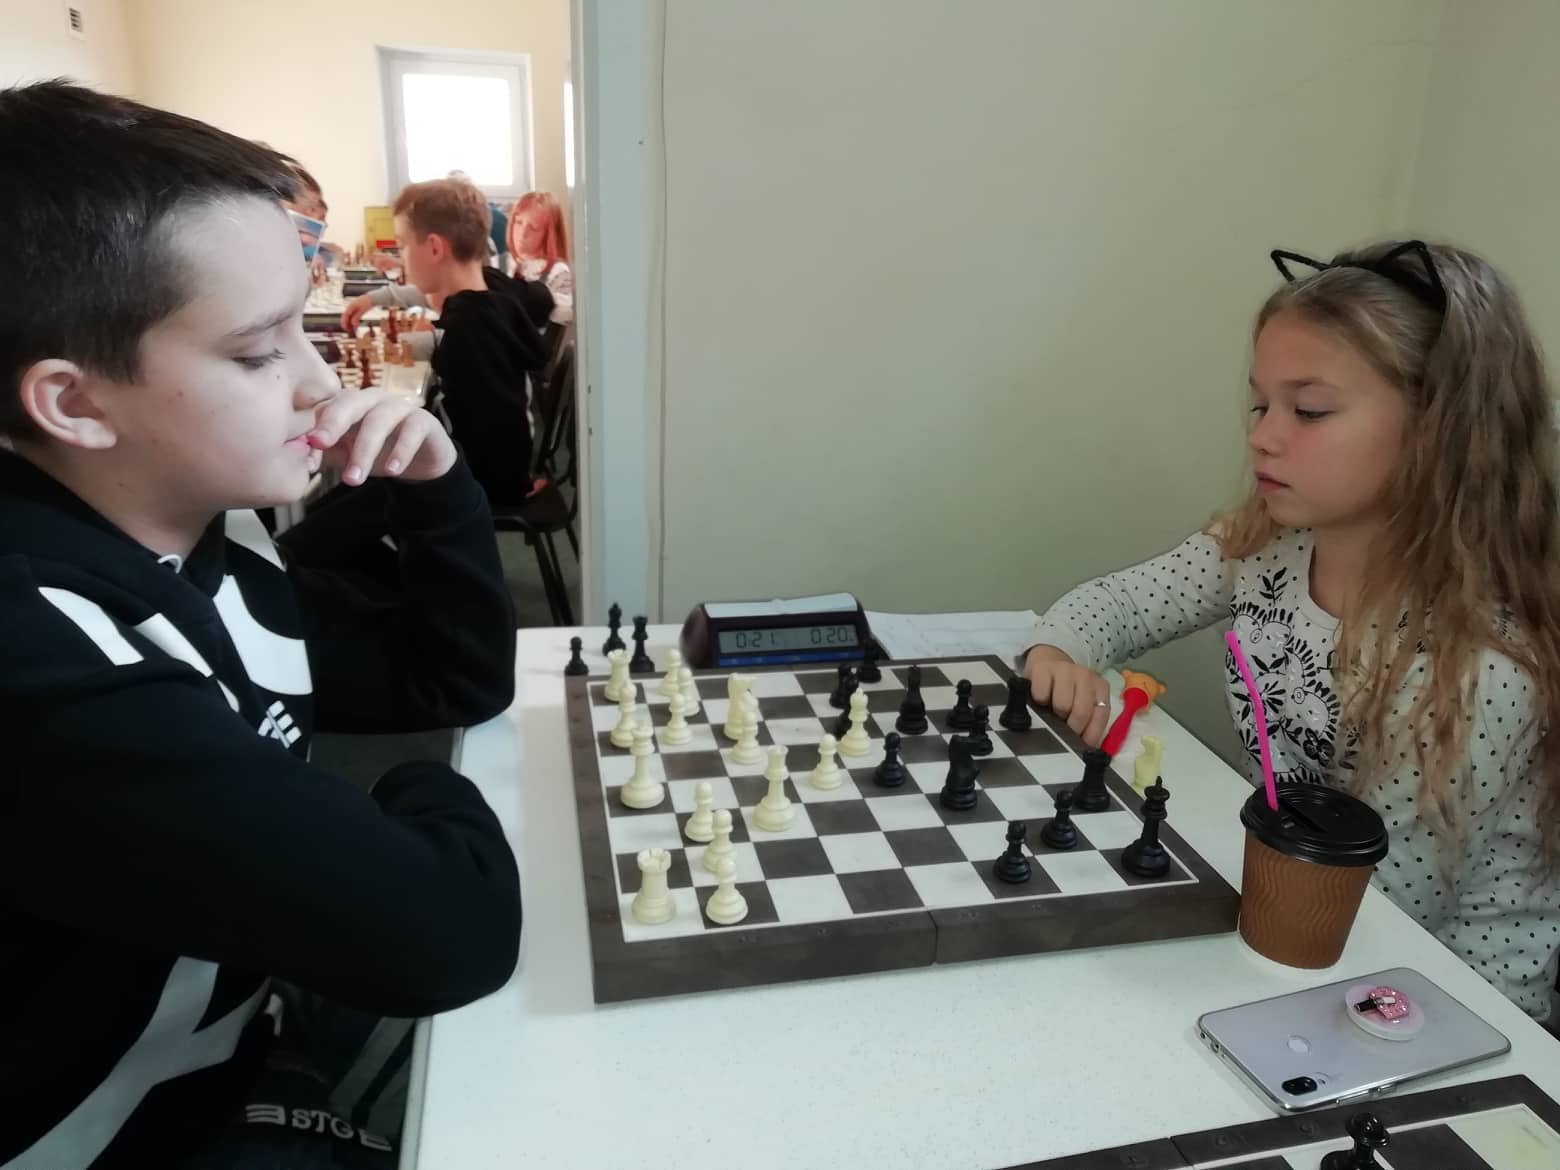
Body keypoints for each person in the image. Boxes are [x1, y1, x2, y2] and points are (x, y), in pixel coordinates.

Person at [0, 81, 521, 1168]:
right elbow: (447, 936)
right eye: (257, 351)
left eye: (302, 324)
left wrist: (435, 487)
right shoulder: (42, 656)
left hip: (229, 1041)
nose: (319, 380)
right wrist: (411, 794)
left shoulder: (211, 535)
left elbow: (450, 683)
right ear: (75, 403)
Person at [1021, 240, 1560, 1022]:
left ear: (1438, 431)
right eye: (1261, 405)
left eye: (1308, 411)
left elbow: (1375, 909)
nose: (1263, 437)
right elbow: (1122, 604)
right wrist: (1059, 651)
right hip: (1292, 917)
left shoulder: (1480, 667)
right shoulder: (1267, 545)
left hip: (1444, 1000)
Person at [390, 178, 549, 505]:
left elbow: (493, 428)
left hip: (479, 483)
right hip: (484, 470)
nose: (400, 256)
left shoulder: (470, 325)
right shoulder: (489, 290)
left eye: (402, 244)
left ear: (435, 248)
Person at [506, 191, 573, 325]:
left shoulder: (558, 271)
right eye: (519, 222)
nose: (523, 233)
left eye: (534, 228)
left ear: (549, 234)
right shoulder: (500, 263)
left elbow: (559, 325)